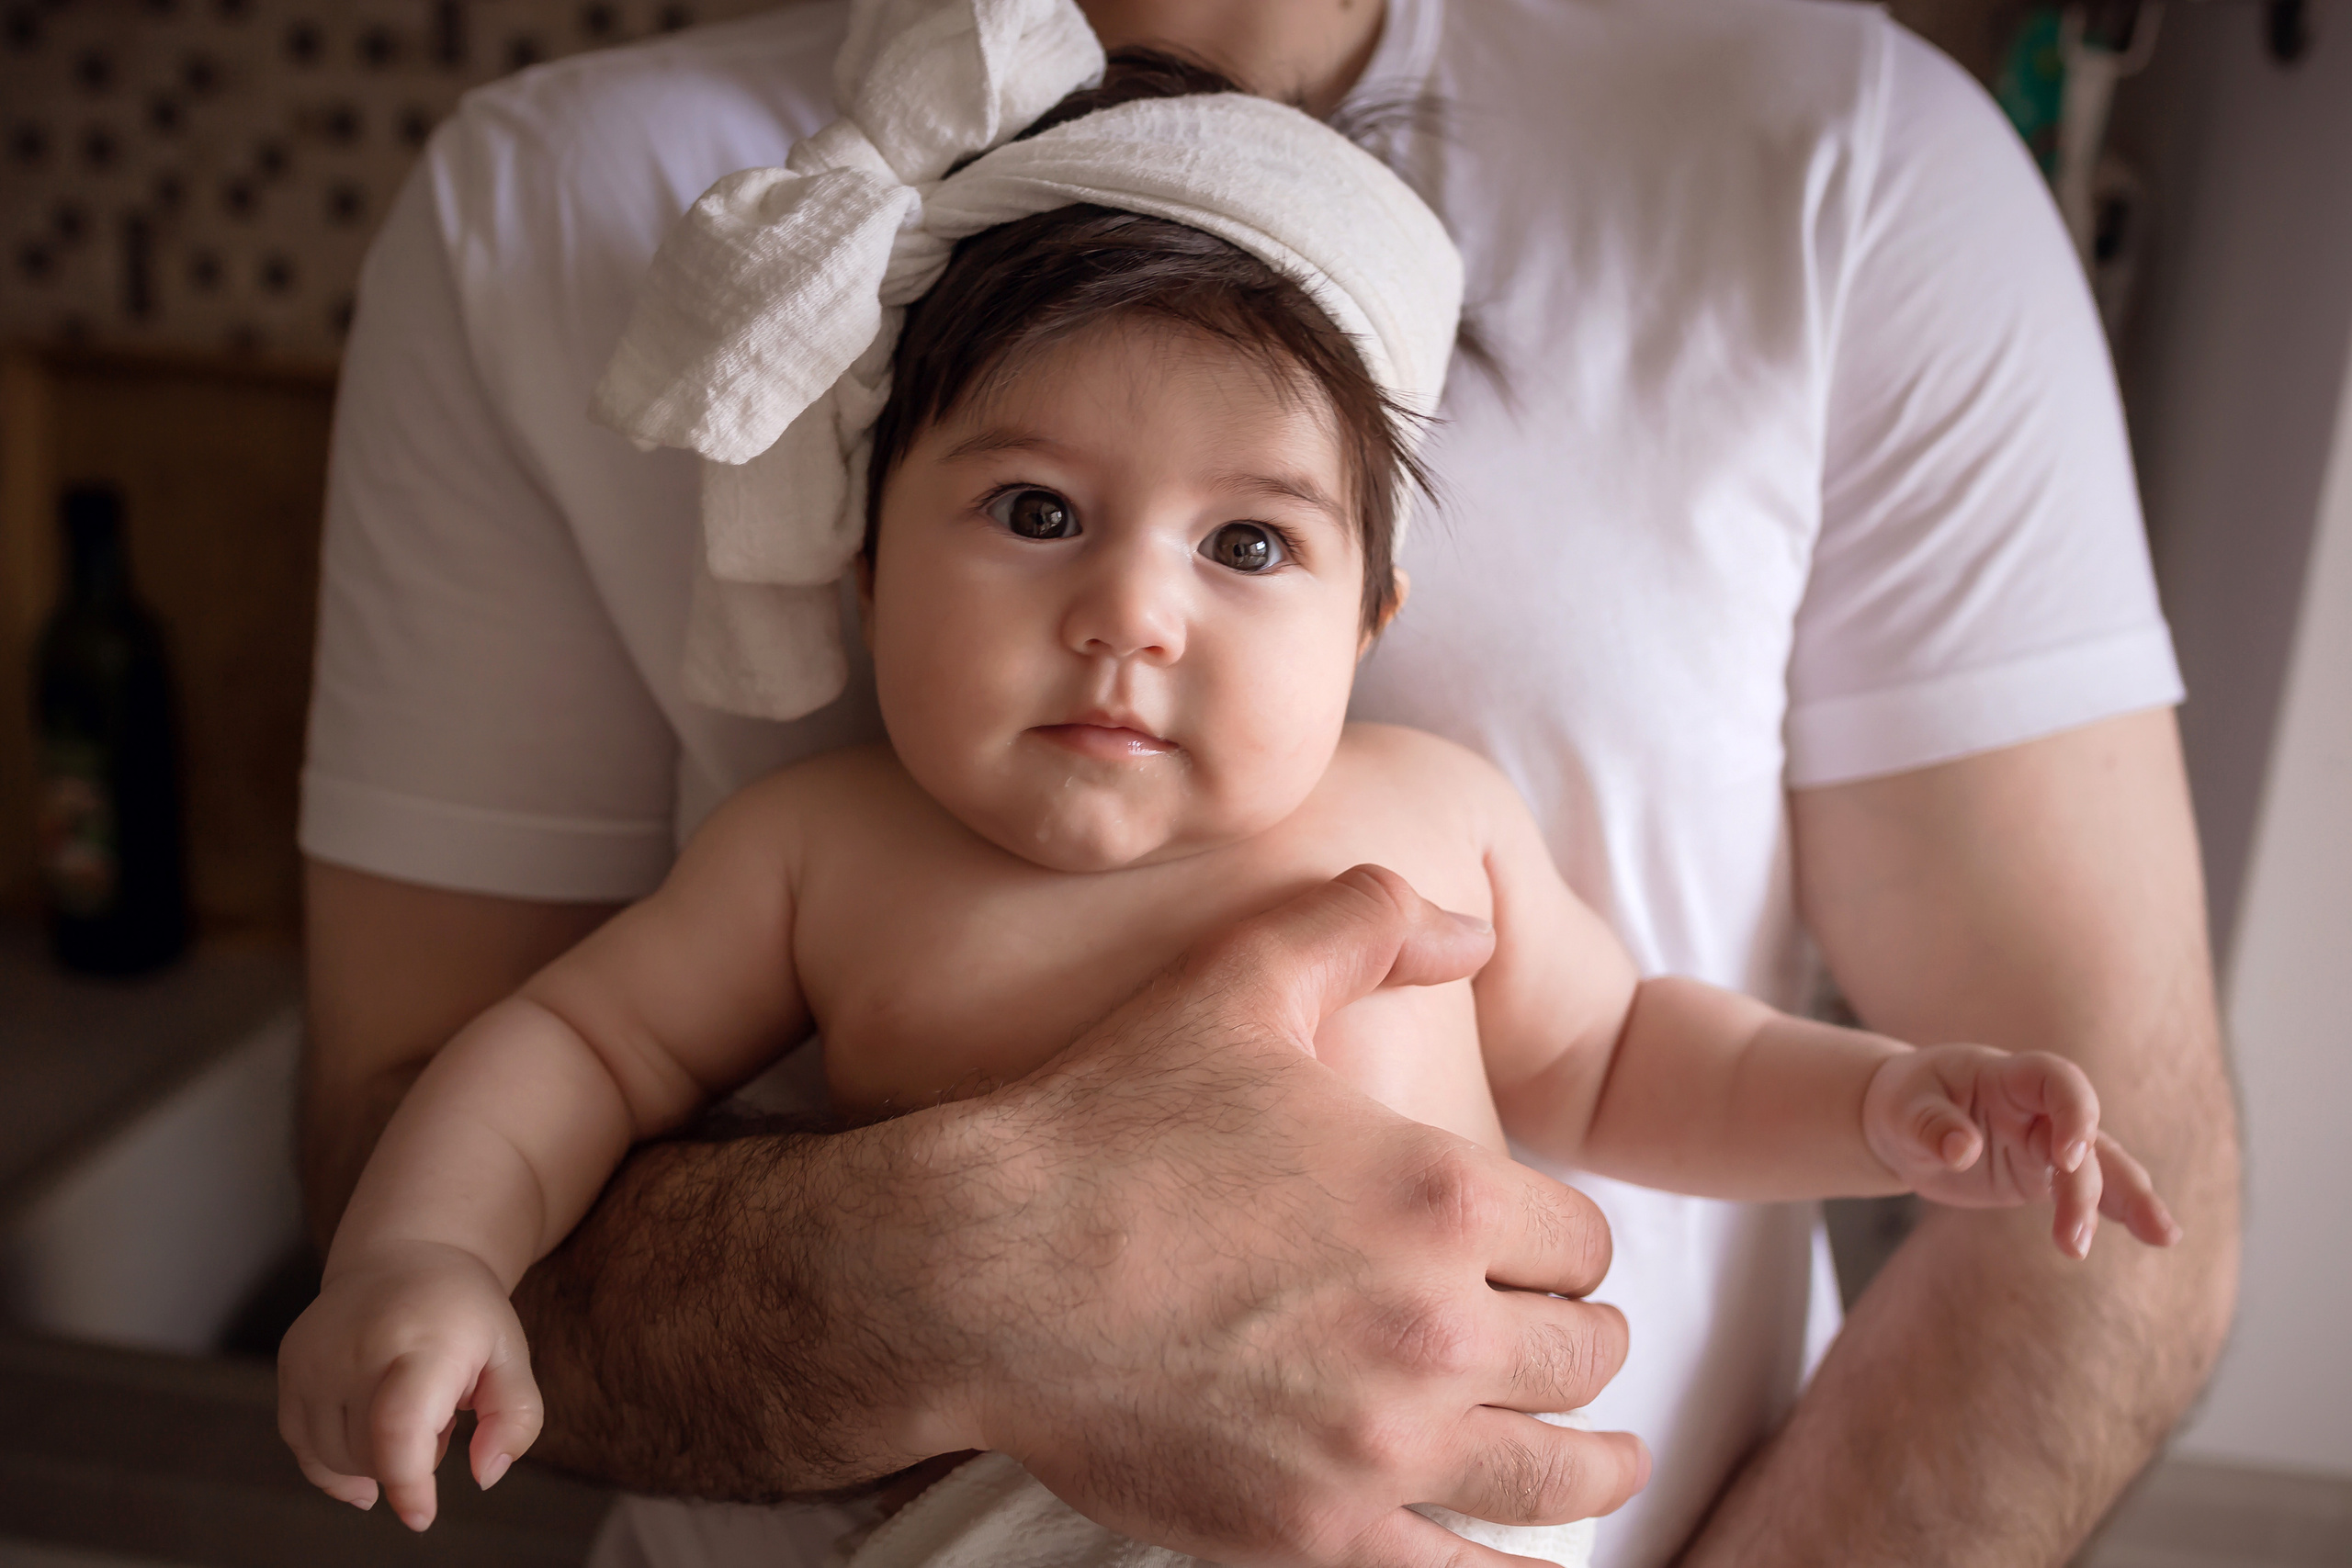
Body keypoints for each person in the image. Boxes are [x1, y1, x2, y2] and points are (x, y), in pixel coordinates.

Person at [296, 1, 2241, 1564]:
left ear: (1369, 610)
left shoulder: (1418, 810)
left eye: (1244, 547)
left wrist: (1888, 1102)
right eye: (1035, 511)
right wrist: (430, 1252)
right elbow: (561, 1048)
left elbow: (1635, 1054)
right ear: (865, 557)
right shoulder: (816, 851)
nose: (1125, 612)